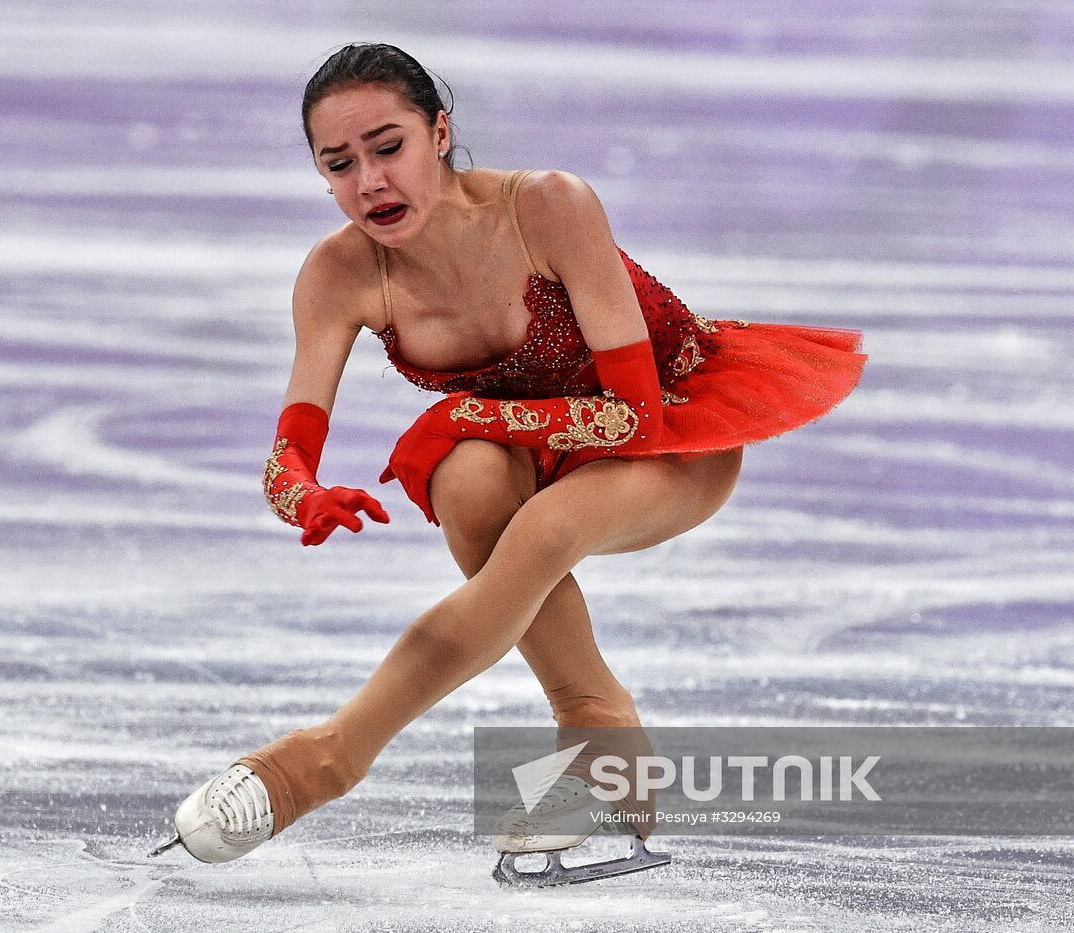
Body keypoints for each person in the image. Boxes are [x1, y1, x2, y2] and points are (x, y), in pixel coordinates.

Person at [152, 43, 867, 883]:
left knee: (540, 522)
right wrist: (304, 493)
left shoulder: (548, 207)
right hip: (541, 452)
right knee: (466, 478)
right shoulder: (339, 273)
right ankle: (602, 737)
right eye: (339, 164)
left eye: (389, 147)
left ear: (440, 132)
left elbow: (631, 414)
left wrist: (466, 412)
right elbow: (287, 454)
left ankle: (328, 758)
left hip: (670, 435)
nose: (370, 182)